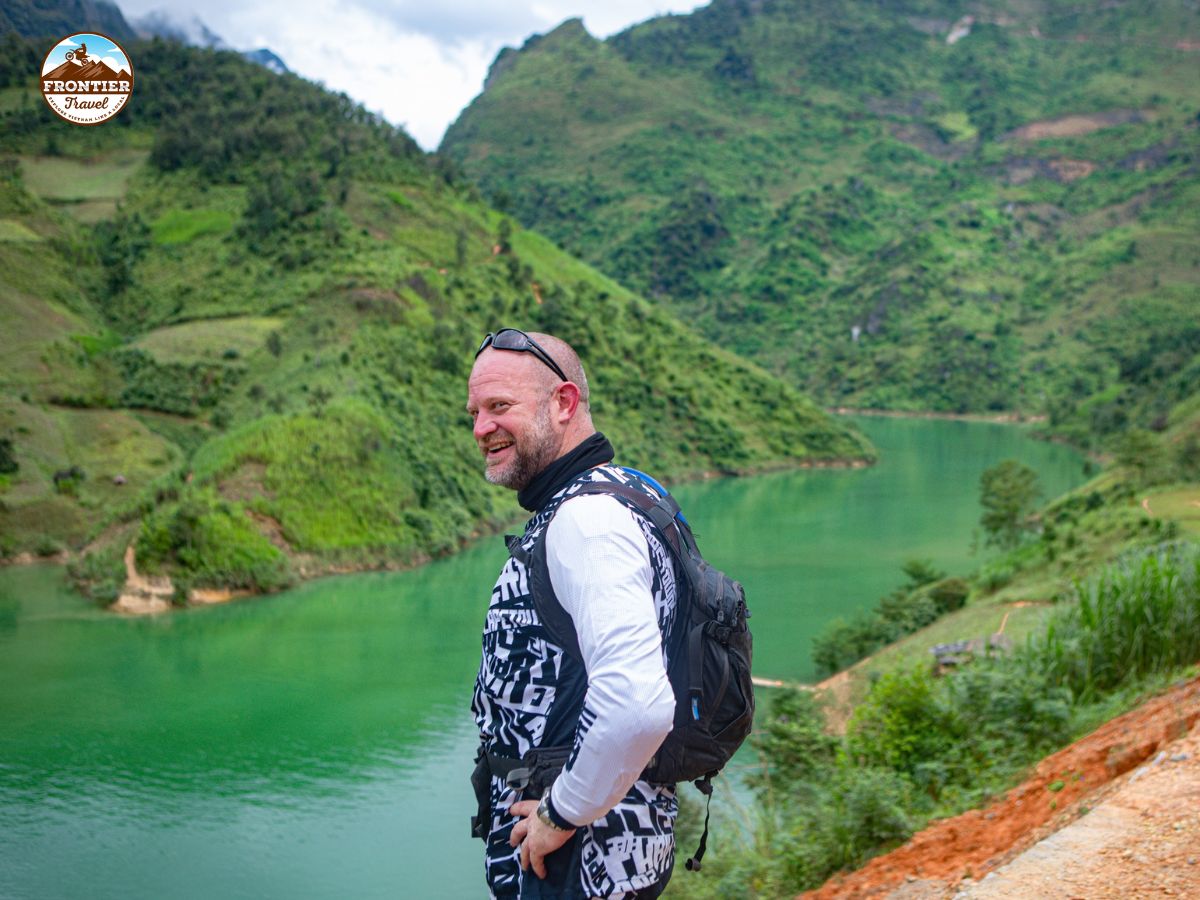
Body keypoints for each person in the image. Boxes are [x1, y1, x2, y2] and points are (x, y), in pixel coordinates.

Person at [467, 328, 679, 899]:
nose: (482, 427)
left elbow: (638, 703)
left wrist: (561, 814)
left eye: (500, 407)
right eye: (476, 412)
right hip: (611, 849)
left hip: (573, 861)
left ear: (563, 403)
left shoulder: (586, 521)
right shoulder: (628, 492)